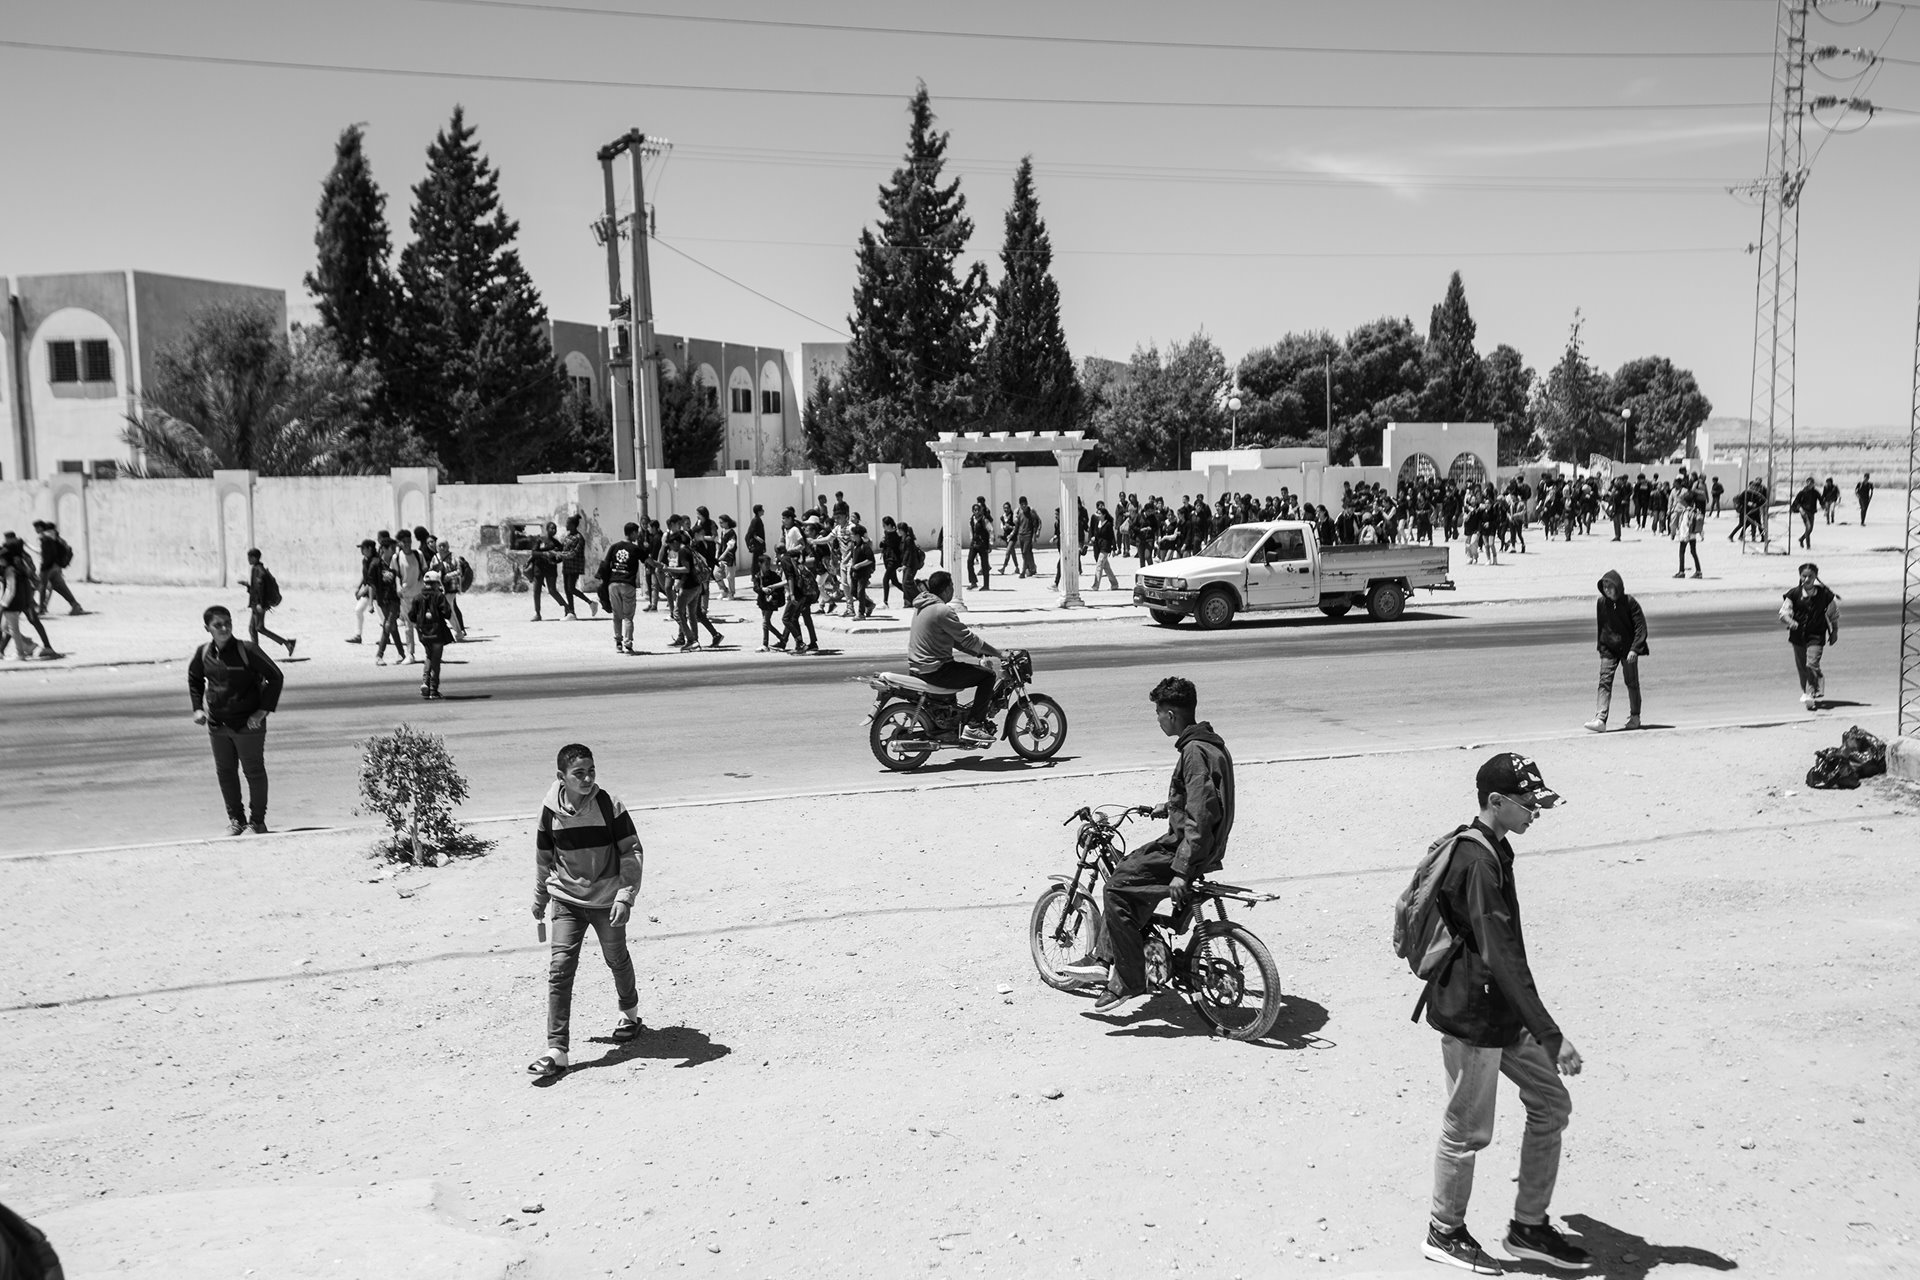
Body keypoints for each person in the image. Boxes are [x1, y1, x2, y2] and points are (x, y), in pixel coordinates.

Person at [1421, 753, 1586, 1275]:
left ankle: (1527, 1227)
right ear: (1496, 803)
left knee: (1551, 1104)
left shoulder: (1497, 849)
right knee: (1467, 1131)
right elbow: (1500, 952)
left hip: (1502, 1011)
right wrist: (1551, 1034)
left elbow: (1502, 953)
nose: (1536, 811)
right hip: (1473, 1017)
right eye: (1529, 803)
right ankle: (1443, 1232)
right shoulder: (1476, 861)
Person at [1060, 677, 1234, 1015]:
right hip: (1201, 845)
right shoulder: (1210, 744)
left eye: (1158, 713)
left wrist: (1181, 871)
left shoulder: (1193, 753)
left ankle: (1127, 978)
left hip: (1186, 848)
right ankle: (1113, 953)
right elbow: (1201, 800)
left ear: (1171, 715)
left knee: (1115, 888)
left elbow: (1199, 816)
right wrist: (1168, 806)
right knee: (1133, 871)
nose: (1157, 719)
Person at [527, 743, 645, 1078]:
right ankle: (557, 1050)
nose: (588, 778)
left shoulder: (609, 805)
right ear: (561, 777)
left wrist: (625, 896)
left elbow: (631, 851)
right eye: (579, 773)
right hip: (566, 900)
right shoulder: (549, 811)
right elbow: (544, 859)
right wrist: (539, 899)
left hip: (606, 900)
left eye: (591, 770)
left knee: (616, 958)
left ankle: (629, 1013)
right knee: (560, 969)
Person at [187, 604, 285, 836]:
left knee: (254, 772)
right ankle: (236, 821)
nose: (224, 628)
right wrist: (197, 709)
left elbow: (276, 676)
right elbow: (194, 679)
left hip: (248, 725)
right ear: (207, 628)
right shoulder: (204, 653)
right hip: (218, 725)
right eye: (217, 625)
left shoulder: (247, 650)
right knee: (226, 773)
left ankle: (257, 822)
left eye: (227, 623)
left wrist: (262, 712)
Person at [906, 570, 1003, 745]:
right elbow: (968, 638)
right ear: (945, 590)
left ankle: (955, 726)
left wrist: (979, 653)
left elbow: (955, 641)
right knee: (988, 677)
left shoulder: (922, 606)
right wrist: (999, 653)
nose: (953, 590)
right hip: (936, 670)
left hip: (919, 668)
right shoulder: (942, 611)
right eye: (952, 586)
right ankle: (974, 727)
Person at [1584, 570, 1647, 734]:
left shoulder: (1630, 602)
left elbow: (1640, 627)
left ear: (1618, 587)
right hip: (1609, 649)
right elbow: (1602, 628)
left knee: (1632, 683)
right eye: (1605, 587)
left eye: (1610, 587)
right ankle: (1600, 719)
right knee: (1604, 682)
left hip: (1628, 650)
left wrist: (1635, 649)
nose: (1607, 590)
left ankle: (1635, 717)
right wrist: (1602, 648)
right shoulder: (1601, 603)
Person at [1783, 562, 1839, 711]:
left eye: (1810, 576)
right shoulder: (1793, 594)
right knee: (1802, 667)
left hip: (1817, 635)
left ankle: (1812, 692)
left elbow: (1834, 614)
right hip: (1798, 636)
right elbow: (1784, 613)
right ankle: (1807, 692)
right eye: (1804, 576)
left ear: (1815, 577)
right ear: (1800, 576)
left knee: (1811, 664)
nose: (1807, 579)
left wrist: (1834, 632)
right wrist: (1790, 621)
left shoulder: (1825, 595)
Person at [409, 570, 457, 699]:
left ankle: (425, 682)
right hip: (437, 634)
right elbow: (447, 613)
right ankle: (433, 690)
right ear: (436, 583)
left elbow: (411, 616)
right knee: (436, 660)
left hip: (423, 635)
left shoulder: (417, 597)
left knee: (429, 656)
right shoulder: (439, 596)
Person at [598, 522, 643, 655]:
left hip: (613, 584)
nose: (638, 535)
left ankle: (618, 643)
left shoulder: (614, 547)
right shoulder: (634, 549)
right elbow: (648, 561)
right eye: (637, 532)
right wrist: (660, 566)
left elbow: (605, 564)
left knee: (617, 615)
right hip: (627, 584)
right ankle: (628, 644)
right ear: (633, 533)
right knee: (628, 617)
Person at [244, 548, 296, 657]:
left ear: (254, 558)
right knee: (253, 628)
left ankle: (287, 643)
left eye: (249, 557)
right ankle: (256, 653)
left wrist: (261, 604)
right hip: (256, 604)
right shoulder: (256, 569)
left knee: (259, 628)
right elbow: (255, 589)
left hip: (259, 604)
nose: (248, 560)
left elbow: (261, 589)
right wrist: (247, 585)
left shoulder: (259, 570)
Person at [32, 521, 85, 615]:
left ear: (40, 528)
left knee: (40, 586)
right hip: (56, 566)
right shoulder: (54, 536)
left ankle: (40, 608)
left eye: (36, 527)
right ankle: (75, 605)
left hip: (47, 567)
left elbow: (46, 554)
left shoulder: (44, 537)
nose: (35, 530)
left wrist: (44, 567)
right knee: (60, 587)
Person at [559, 514, 598, 618]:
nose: (566, 525)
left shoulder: (579, 538)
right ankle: (571, 612)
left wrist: (559, 554)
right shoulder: (568, 537)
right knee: (567, 590)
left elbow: (573, 553)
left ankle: (591, 603)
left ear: (573, 525)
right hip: (566, 566)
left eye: (568, 523)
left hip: (574, 567)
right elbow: (564, 551)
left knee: (571, 588)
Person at [1672, 488, 1704, 579]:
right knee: (1693, 552)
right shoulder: (1695, 510)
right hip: (1693, 534)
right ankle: (1698, 571)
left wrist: (1684, 536)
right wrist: (1701, 535)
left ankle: (1681, 571)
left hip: (1685, 535)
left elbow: (1685, 525)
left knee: (1681, 552)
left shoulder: (1687, 512)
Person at [1790, 478, 1819, 550]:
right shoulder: (1802, 492)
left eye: (1811, 483)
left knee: (1810, 529)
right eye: (1808, 483)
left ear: (1813, 484)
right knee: (1808, 527)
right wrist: (1799, 508)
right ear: (1806, 483)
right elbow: (1796, 501)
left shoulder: (1815, 492)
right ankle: (1808, 546)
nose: (1810, 485)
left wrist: (1824, 505)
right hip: (1804, 512)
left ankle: (1801, 539)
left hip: (1811, 512)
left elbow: (1821, 499)